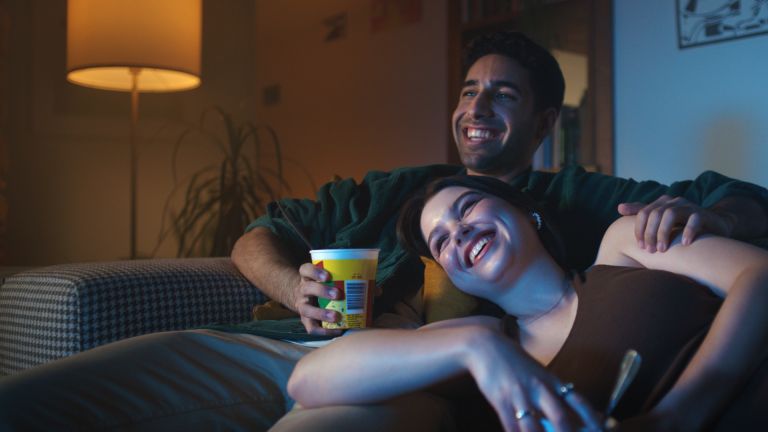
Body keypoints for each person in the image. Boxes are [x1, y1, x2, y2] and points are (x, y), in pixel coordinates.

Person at [0, 31, 766, 431]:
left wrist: (712, 220)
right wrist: (288, 285)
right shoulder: (394, 189)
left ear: (542, 121)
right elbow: (262, 232)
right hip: (297, 346)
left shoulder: (575, 197)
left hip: (408, 377)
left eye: (504, 96)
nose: (477, 108)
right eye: (469, 91)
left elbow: (725, 198)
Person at [286, 174, 768, 431]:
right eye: (441, 242)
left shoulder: (622, 247)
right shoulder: (485, 343)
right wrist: (475, 345)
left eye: (468, 208)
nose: (460, 233)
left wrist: (678, 415)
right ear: (454, 275)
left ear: (526, 212)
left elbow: (760, 274)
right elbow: (309, 380)